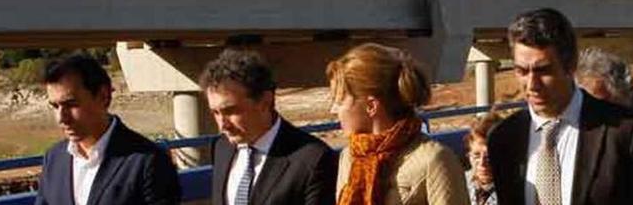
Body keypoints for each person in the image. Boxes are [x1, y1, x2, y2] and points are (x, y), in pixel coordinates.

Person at [487, 8, 633, 205]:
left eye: (544, 71)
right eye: (522, 71)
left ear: (571, 65)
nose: (532, 84)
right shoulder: (503, 138)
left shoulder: (626, 131)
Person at [327, 42, 469, 205]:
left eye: (339, 101)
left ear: (371, 106)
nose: (334, 110)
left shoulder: (434, 160)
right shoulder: (349, 156)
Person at [35, 53, 180, 205]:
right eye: (55, 106)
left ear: (103, 96)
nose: (61, 118)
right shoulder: (53, 158)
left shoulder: (149, 162)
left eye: (71, 104)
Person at [201, 49, 336, 205]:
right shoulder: (221, 148)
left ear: (264, 102)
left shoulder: (313, 160)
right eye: (215, 113)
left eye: (230, 111)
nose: (222, 125)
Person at [463, 110, 502, 205]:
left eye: (489, 157)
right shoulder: (459, 182)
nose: (482, 164)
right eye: (476, 155)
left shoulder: (517, 191)